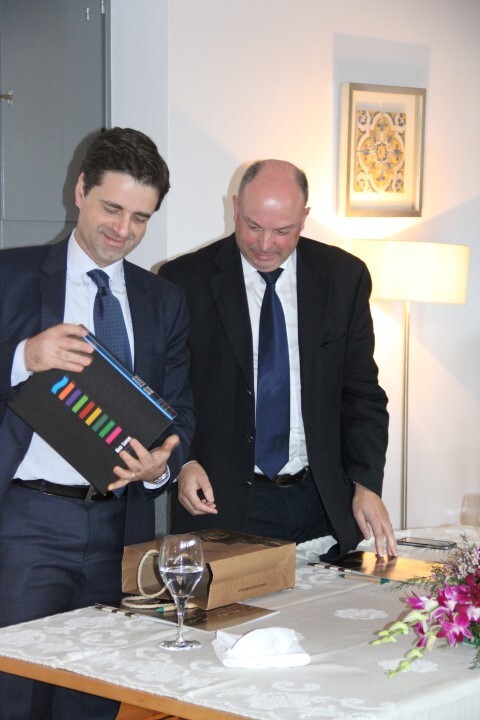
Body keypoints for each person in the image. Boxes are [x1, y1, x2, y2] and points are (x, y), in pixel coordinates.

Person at [0, 127, 194, 720]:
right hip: (26, 525)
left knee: (94, 700)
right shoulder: (9, 275)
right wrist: (22, 357)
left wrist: (162, 463)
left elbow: (180, 409)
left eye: (140, 218)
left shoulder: (164, 300)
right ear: (80, 190)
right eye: (112, 208)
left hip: (119, 530)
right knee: (16, 697)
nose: (123, 230)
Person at [159, 159, 397, 561]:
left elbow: (362, 394)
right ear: (235, 208)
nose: (265, 244)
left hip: (322, 502)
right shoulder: (183, 281)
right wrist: (185, 462)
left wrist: (366, 483)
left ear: (304, 219)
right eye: (253, 226)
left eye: (283, 231)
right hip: (221, 502)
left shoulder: (343, 277)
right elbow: (167, 390)